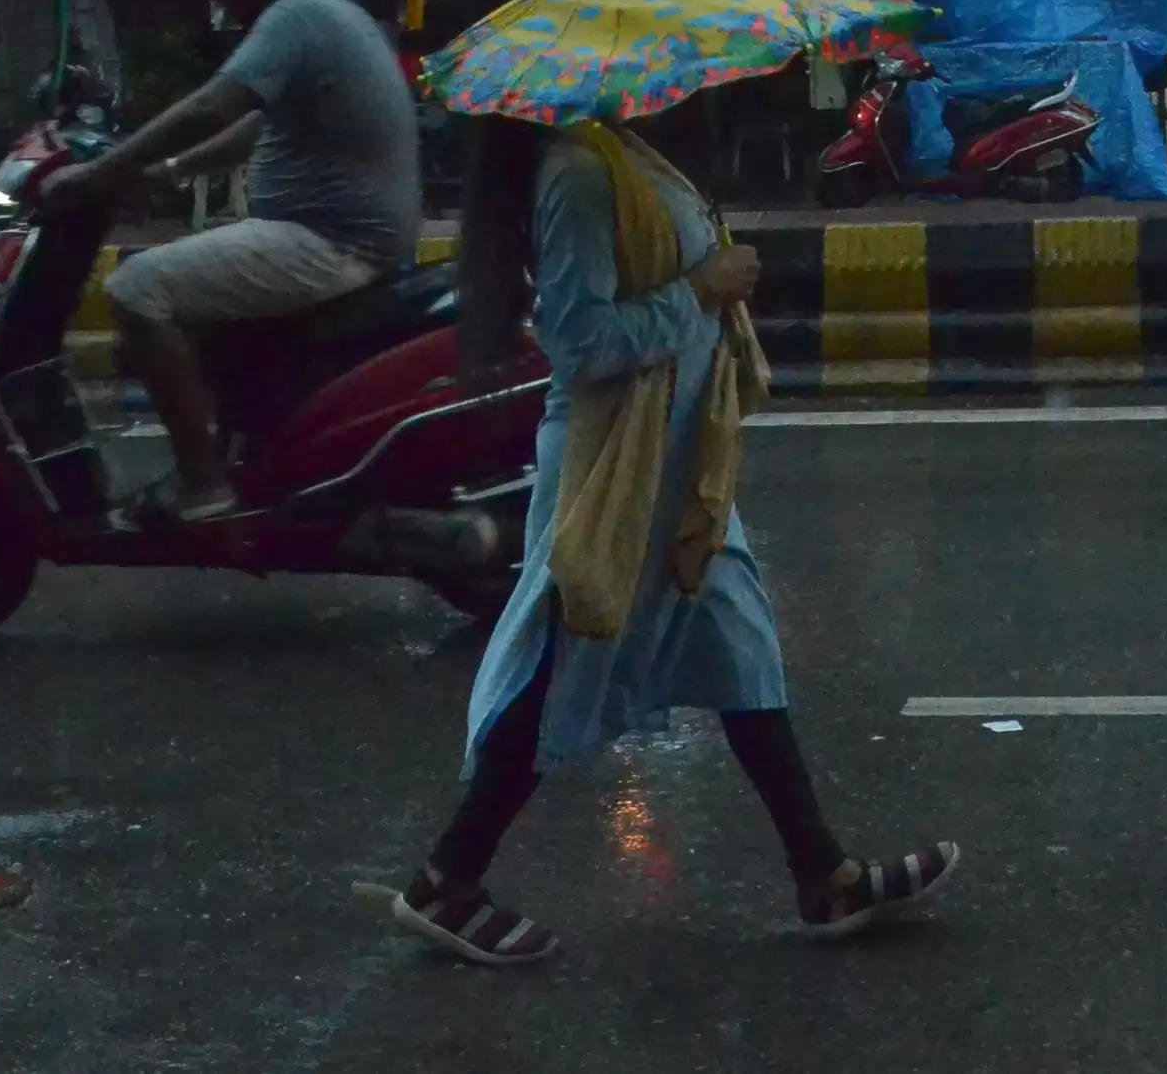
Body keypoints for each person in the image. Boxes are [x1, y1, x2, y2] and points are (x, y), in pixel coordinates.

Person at [389, 112, 960, 965]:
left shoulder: (620, 155)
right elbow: (582, 344)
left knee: (743, 644)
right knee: (565, 659)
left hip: (680, 461)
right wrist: (702, 288)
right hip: (617, 464)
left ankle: (822, 869)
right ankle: (448, 876)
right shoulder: (580, 174)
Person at [41, 0, 419, 521]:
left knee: (138, 289)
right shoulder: (331, 10)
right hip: (335, 236)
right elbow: (254, 123)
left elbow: (211, 106)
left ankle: (203, 482)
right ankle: (237, 450)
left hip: (331, 242)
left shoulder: (293, 17)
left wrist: (97, 173)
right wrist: (167, 171)